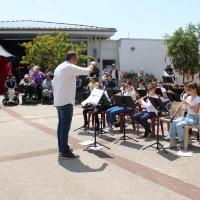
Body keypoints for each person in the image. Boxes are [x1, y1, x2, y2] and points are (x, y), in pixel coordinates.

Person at [52, 51, 93, 160]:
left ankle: (62, 149)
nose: (77, 62)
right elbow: (87, 71)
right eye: (76, 59)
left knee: (61, 127)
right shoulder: (69, 67)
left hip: (59, 101)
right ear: (73, 59)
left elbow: (53, 85)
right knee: (64, 128)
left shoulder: (58, 67)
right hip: (66, 101)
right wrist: (92, 64)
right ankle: (65, 152)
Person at [168, 82, 200, 148]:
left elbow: (196, 111)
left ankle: (184, 141)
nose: (187, 90)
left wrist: (188, 104)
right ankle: (172, 142)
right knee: (173, 121)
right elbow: (187, 109)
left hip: (195, 118)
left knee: (179, 124)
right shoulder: (188, 98)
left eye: (188, 89)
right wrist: (182, 108)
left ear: (194, 89)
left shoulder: (198, 99)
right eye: (186, 89)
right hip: (188, 117)